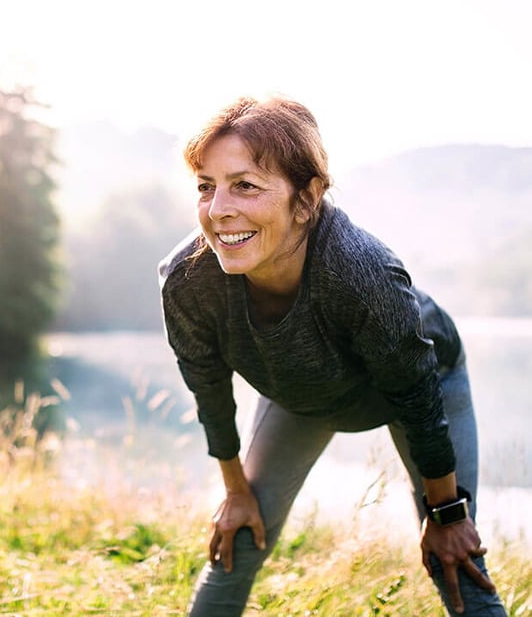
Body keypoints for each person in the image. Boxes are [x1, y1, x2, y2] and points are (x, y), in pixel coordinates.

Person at [158, 95, 506, 616]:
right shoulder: (187, 280)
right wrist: (235, 491)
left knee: (454, 557)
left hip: (421, 388)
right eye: (206, 187)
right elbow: (206, 384)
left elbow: (416, 395)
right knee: (239, 537)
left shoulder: (362, 274)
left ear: (307, 199)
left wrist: (448, 513)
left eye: (245, 185)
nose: (218, 209)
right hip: (301, 392)